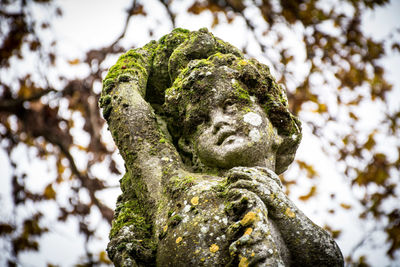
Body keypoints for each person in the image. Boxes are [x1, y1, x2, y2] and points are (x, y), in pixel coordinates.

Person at [100, 28, 343, 266]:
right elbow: (125, 105)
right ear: (188, 146)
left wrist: (278, 205)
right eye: (200, 121)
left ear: (275, 122)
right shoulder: (174, 191)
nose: (218, 123)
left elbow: (329, 259)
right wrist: (154, 55)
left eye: (231, 105)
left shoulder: (283, 209)